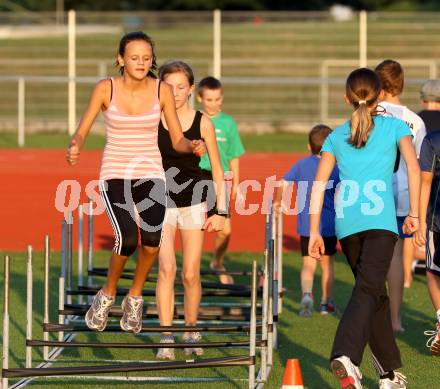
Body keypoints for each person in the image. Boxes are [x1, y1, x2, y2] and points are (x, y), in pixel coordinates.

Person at [66, 32, 205, 333]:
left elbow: (177, 138)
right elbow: (83, 128)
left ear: (152, 60)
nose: (141, 63)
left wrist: (192, 145)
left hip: (151, 174)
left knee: (152, 243)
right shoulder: (106, 88)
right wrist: (76, 143)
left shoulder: (162, 89)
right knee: (127, 239)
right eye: (134, 58)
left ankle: (135, 296)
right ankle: (107, 294)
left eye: (146, 58)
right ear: (121, 59)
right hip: (115, 175)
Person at [309, 68, 419, 389]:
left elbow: (318, 185)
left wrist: (315, 230)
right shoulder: (396, 127)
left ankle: (388, 375)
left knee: (374, 295)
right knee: (368, 291)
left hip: (347, 225)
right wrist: (415, 212)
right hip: (381, 222)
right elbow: (412, 167)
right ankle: (346, 355)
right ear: (380, 95)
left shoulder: (335, 135)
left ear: (346, 98)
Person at [154, 61, 226, 360]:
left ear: (191, 89)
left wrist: (221, 211)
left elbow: (218, 170)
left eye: (181, 86)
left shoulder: (203, 122)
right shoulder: (153, 119)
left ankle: (192, 330)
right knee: (166, 268)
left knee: (190, 273)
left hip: (194, 199)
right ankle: (166, 337)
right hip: (158, 200)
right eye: (169, 87)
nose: (176, 92)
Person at [375, 59, 426, 329]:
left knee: (370, 256)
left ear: (378, 86)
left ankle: (371, 317)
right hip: (404, 195)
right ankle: (395, 320)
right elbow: (420, 166)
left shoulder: (372, 113)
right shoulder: (415, 121)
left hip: (373, 194)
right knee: (395, 256)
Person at [273, 124, 339, 317]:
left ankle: (306, 295)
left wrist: (278, 201)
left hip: (306, 226)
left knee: (308, 265)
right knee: (327, 265)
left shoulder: (301, 165)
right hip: (328, 225)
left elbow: (283, 184)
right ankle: (326, 304)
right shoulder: (335, 167)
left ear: (309, 147)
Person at [197, 76, 245, 284]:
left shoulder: (228, 123)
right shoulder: (194, 119)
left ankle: (217, 262)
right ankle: (190, 270)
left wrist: (237, 184)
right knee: (193, 227)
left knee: (225, 230)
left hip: (221, 180)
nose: (214, 104)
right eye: (209, 99)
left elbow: (234, 155)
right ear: (200, 98)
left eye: (217, 99)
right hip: (197, 179)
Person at [414, 131, 440, 356]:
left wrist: (420, 221)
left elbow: (425, 182)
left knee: (433, 272)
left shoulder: (433, 139)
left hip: (437, 220)